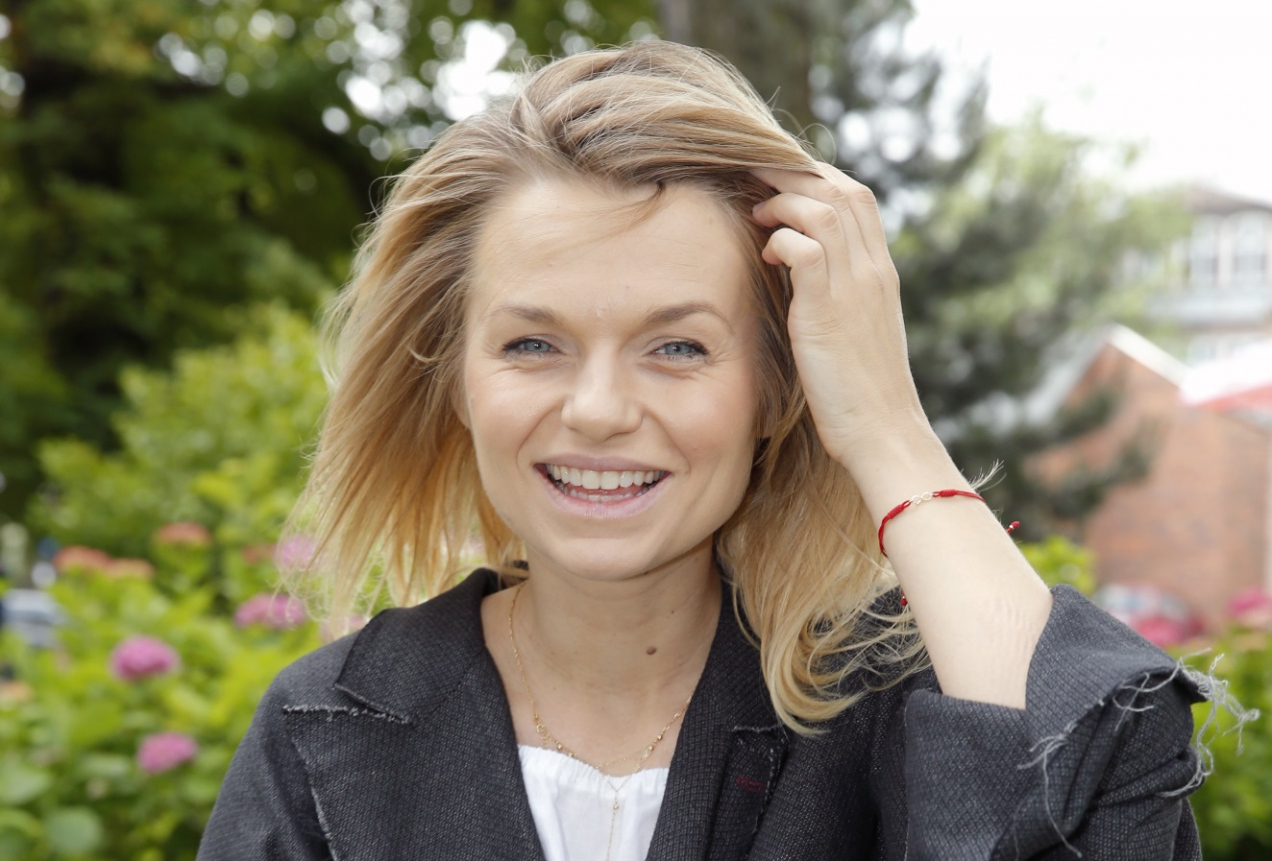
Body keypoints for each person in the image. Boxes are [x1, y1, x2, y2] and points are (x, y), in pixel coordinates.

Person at [198, 41, 1210, 860]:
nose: (599, 409)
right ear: (456, 381)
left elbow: (1101, 788)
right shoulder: (326, 734)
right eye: (532, 344)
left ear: (776, 389)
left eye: (677, 347)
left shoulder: (896, 707)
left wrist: (887, 427)